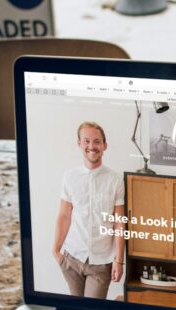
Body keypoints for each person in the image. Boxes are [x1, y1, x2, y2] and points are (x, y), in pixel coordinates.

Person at [52, 121, 125, 299]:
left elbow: (119, 223)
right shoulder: (69, 177)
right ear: (79, 144)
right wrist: (56, 251)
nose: (91, 146)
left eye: (97, 141)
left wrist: (119, 260)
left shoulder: (115, 179)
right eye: (86, 141)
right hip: (72, 258)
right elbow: (64, 215)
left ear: (104, 145)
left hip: (101, 262)